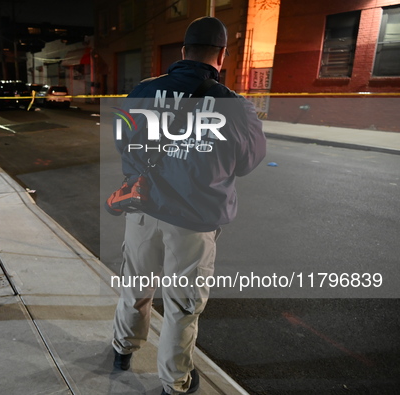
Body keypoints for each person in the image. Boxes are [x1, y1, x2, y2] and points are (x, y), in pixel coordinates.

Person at [111, 17, 266, 394]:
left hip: (143, 209)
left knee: (137, 284)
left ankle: (122, 350)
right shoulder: (233, 105)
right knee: (182, 305)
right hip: (194, 221)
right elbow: (247, 162)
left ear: (182, 52)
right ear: (222, 56)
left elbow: (122, 141)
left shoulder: (143, 91)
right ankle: (174, 381)